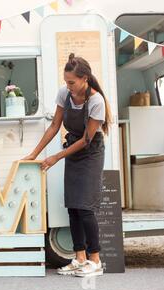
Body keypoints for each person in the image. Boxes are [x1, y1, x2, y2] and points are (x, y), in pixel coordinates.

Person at [24, 53, 112, 277]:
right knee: (73, 206)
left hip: (90, 152)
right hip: (73, 147)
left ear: (85, 79)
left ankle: (95, 260)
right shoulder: (65, 93)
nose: (68, 86)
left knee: (85, 207)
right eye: (66, 82)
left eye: (72, 82)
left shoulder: (97, 101)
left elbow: (86, 140)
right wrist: (34, 154)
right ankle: (80, 258)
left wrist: (56, 157)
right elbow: (54, 125)